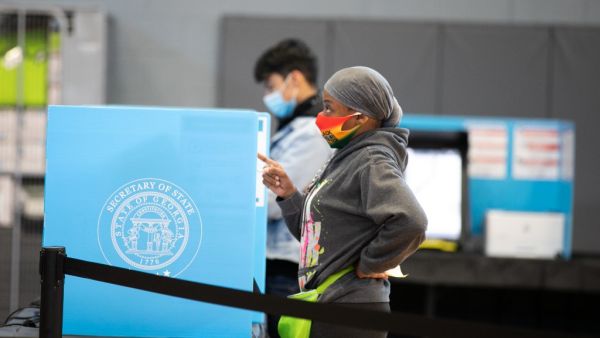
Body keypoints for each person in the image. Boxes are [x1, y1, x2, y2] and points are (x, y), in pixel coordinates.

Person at [259, 66, 428, 337]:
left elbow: (411, 222)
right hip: (331, 304)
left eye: (328, 108)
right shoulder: (346, 157)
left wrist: (371, 263)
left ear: (358, 118)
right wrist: (288, 194)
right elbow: (314, 235)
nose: (320, 117)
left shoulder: (372, 160)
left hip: (350, 309)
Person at [254, 38, 334, 337]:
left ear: (295, 77)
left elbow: (275, 201)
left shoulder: (312, 132)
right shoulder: (295, 127)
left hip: (289, 269)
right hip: (277, 264)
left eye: (271, 85)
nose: (268, 94)